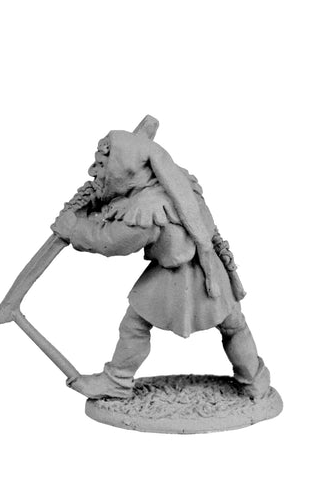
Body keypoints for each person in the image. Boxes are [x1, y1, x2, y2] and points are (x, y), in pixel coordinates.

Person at [51, 125, 271, 400]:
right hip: (208, 268)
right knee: (233, 325)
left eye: (103, 165)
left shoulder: (150, 208)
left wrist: (74, 229)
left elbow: (110, 241)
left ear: (124, 169)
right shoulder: (174, 181)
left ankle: (117, 381)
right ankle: (255, 381)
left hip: (181, 274)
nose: (94, 171)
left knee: (135, 325)